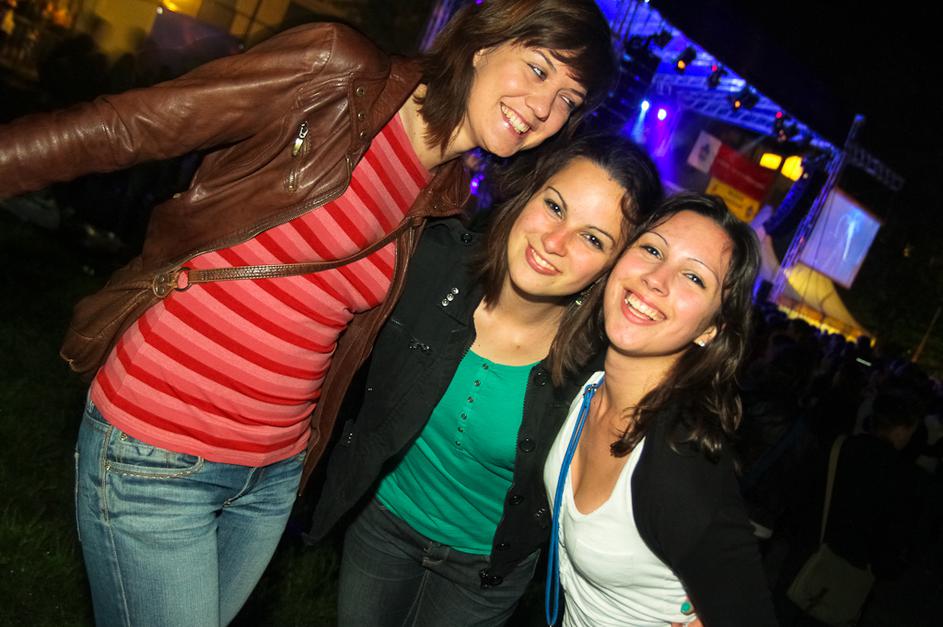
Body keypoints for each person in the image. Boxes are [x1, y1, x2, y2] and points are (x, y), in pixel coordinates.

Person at [0, 1, 615, 624]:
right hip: (159, 440)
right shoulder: (339, 73)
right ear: (484, 45)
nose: (543, 107)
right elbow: (128, 126)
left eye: (567, 99)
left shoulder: (444, 200)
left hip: (269, 476)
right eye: (538, 68)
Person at [308, 132, 662, 626]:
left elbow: (646, 488)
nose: (554, 242)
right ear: (527, 195)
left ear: (612, 269)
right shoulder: (433, 265)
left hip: (483, 574)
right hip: (382, 523)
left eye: (592, 238)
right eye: (554, 207)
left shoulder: (600, 370)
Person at [544, 193, 777, 626]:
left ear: (711, 329)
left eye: (694, 277)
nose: (656, 279)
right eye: (652, 250)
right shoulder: (587, 384)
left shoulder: (680, 463)